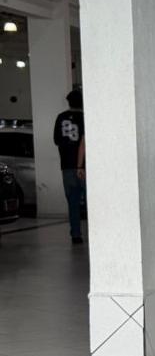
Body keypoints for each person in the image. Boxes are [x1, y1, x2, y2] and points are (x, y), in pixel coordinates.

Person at [53, 89, 85, 244]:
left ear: (69, 102)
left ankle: (76, 235)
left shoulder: (61, 117)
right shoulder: (86, 118)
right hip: (84, 166)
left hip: (66, 166)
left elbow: (56, 140)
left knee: (72, 202)